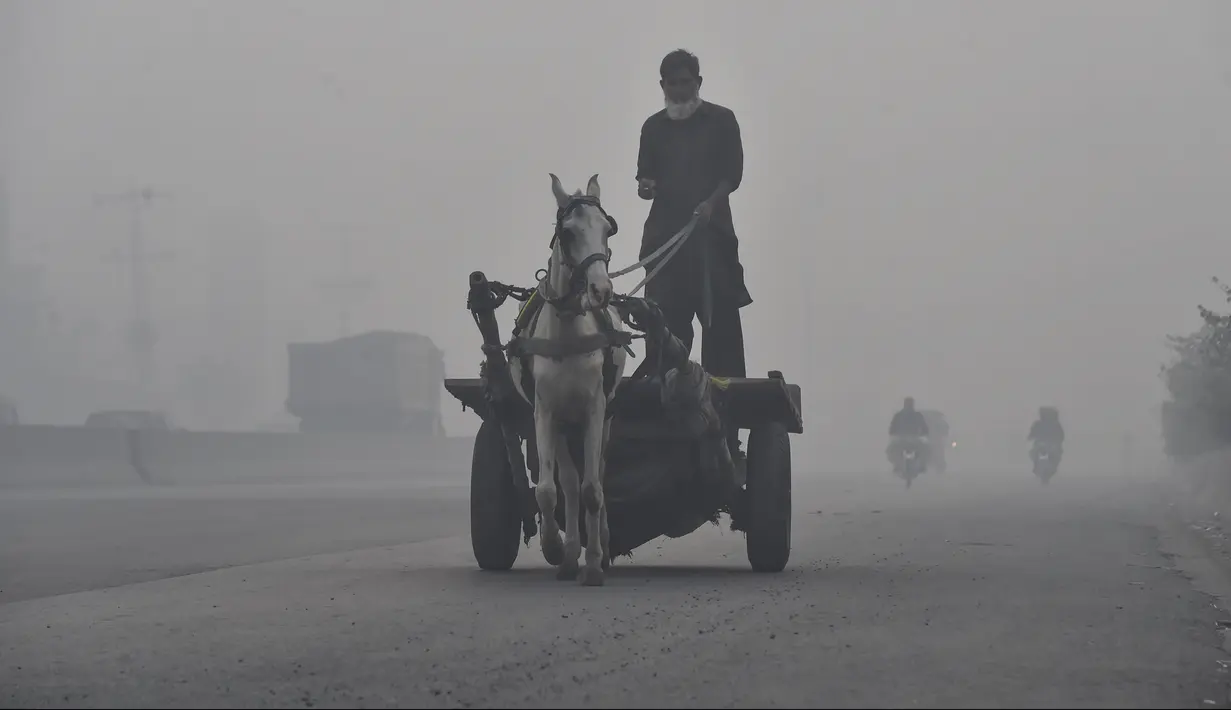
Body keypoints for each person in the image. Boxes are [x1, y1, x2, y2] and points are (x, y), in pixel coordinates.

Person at [636, 48, 752, 458]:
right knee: (665, 331)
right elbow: (644, 177)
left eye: (687, 82)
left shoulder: (721, 121)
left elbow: (731, 176)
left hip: (712, 239)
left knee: (721, 331)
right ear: (663, 87)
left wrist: (709, 205)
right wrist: (646, 186)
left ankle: (728, 434)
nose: (680, 90)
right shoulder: (653, 128)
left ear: (698, 84)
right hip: (666, 244)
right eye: (672, 84)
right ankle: (662, 429)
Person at [887, 397, 930, 468]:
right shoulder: (899, 416)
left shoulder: (916, 415)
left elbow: (924, 426)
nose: (909, 405)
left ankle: (922, 464)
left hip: (914, 439)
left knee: (925, 449)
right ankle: (897, 464)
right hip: (903, 439)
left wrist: (924, 433)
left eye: (910, 404)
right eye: (908, 404)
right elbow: (892, 427)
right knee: (893, 449)